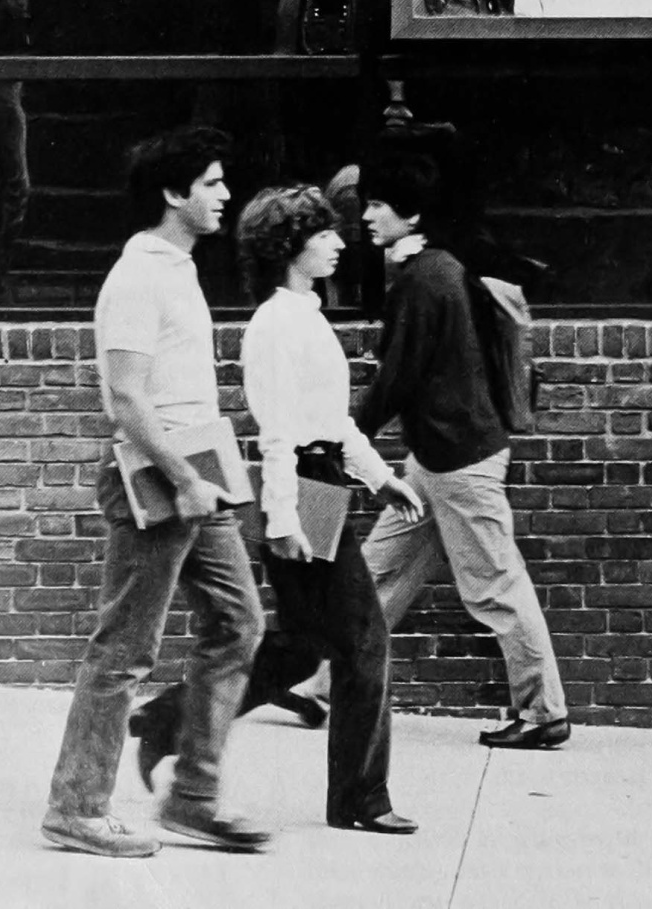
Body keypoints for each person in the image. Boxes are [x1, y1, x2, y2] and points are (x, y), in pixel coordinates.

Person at [129, 186, 426, 833]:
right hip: (299, 487)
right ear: (291, 244)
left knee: (300, 646)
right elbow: (277, 433)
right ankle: (359, 799)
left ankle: (165, 720)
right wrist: (286, 519)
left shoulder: (307, 314)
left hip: (320, 484)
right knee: (364, 642)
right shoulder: (273, 325)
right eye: (324, 233)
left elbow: (333, 420)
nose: (340, 243)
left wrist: (379, 478)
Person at [42, 126, 269, 858]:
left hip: (193, 479)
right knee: (124, 650)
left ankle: (194, 798)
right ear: (174, 194)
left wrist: (199, 477)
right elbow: (127, 401)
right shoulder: (137, 274)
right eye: (212, 182)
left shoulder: (179, 267)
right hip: (160, 481)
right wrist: (185, 477)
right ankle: (76, 806)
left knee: (238, 623)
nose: (225, 195)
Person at [348, 131, 570, 749]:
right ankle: (317, 687)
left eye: (378, 206)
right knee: (378, 575)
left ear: (411, 214)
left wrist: (350, 436)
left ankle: (543, 712)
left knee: (495, 587)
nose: (366, 216)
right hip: (437, 458)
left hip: (459, 460)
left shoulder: (424, 282)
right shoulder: (438, 269)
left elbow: (398, 376)